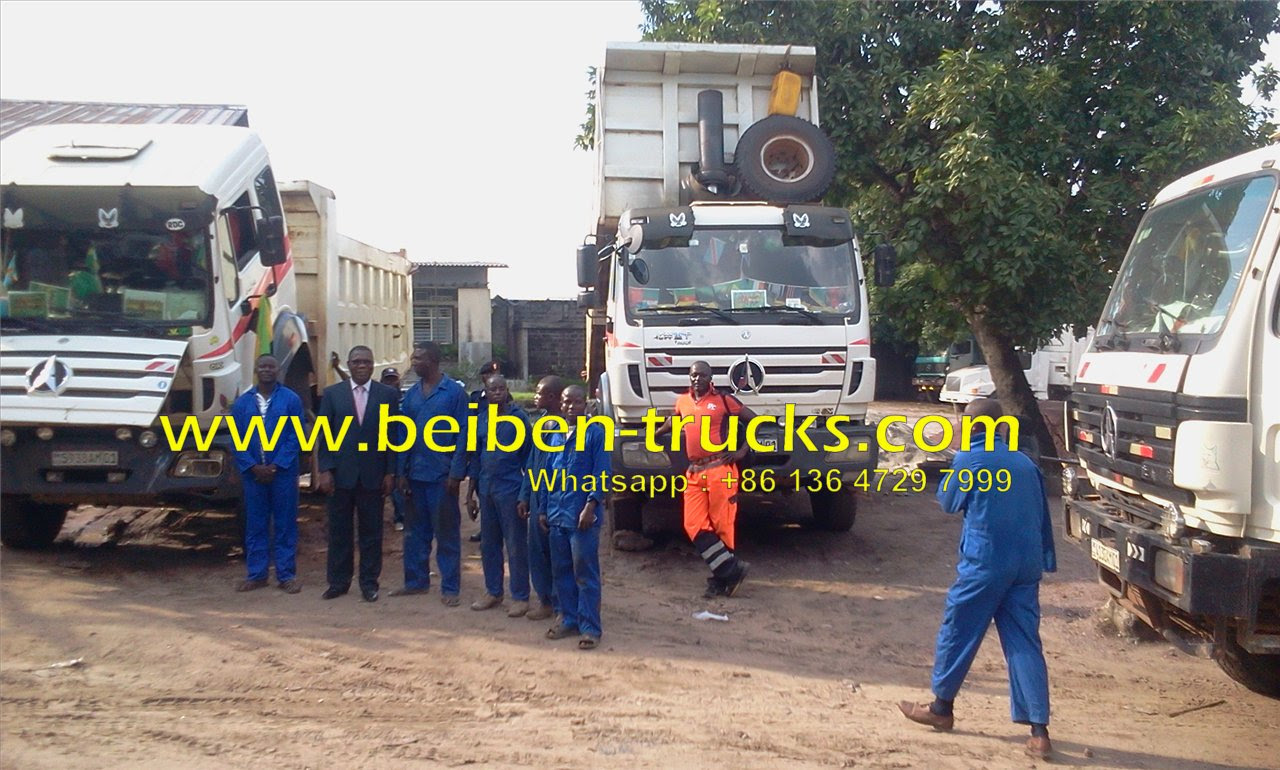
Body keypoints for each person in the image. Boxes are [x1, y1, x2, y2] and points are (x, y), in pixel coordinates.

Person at [897, 398, 1057, 760]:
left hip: (985, 564)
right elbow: (1042, 518)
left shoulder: (970, 460)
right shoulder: (1025, 463)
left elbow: (948, 502)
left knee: (958, 630)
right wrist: (1045, 559)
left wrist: (956, 457)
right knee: (1024, 643)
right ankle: (1039, 733)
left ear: (972, 427)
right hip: (1025, 566)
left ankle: (941, 708)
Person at [315, 346, 400, 603]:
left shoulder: (387, 395)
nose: (362, 366)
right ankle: (338, 582)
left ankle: (369, 583)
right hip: (341, 475)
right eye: (356, 362)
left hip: (373, 475)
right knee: (339, 532)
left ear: (373, 365)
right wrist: (325, 469)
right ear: (349, 365)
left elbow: (392, 436)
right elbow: (325, 434)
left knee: (371, 533)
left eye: (366, 362)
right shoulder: (333, 394)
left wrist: (390, 472)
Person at [666, 360, 754, 598]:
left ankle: (721, 580)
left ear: (710, 378)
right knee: (693, 523)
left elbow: (756, 421)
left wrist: (742, 451)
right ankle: (731, 570)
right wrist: (655, 432)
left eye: (702, 375)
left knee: (722, 526)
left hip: (720, 470)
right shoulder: (682, 401)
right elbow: (674, 421)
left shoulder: (724, 400)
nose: (697, 379)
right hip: (694, 472)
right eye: (694, 375)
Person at [394, 341, 470, 606]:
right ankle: (415, 582)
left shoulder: (454, 393)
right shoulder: (412, 394)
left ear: (433, 360)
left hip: (441, 476)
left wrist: (456, 473)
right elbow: (404, 434)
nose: (414, 362)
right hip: (415, 475)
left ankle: (450, 587)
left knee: (446, 534)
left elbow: (464, 435)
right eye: (413, 358)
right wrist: (401, 471)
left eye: (419, 358)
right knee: (414, 533)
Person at [458, 373, 533, 615]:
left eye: (502, 388)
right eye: (493, 389)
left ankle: (520, 596)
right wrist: (470, 495)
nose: (498, 392)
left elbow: (529, 460)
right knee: (489, 544)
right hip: (486, 490)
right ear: (486, 393)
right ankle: (493, 591)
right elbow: (475, 459)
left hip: (511, 489)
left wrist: (525, 495)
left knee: (515, 544)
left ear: (507, 390)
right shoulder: (481, 420)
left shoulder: (519, 419)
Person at [541, 385, 610, 650]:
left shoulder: (595, 433)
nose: (571, 407)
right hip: (557, 514)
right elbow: (548, 473)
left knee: (585, 572)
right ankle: (567, 618)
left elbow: (601, 473)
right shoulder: (555, 434)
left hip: (582, 517)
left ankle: (590, 628)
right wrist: (544, 509)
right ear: (560, 404)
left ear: (586, 404)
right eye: (567, 402)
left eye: (577, 402)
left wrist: (591, 506)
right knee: (561, 571)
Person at [230, 354, 304, 594]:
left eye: (271, 366)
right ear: (256, 370)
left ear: (278, 370)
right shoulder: (242, 403)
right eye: (262, 366)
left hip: (283, 474)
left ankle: (286, 575)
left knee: (285, 524)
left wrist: (276, 465)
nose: (266, 370)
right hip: (253, 475)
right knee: (255, 524)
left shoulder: (291, 399)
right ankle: (257, 575)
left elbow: (296, 436)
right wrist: (252, 466)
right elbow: (236, 439)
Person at [518, 375, 565, 621]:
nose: (535, 397)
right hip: (537, 495)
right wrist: (524, 495)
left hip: (556, 498)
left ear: (553, 397)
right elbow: (531, 463)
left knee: (557, 553)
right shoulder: (541, 424)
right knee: (536, 551)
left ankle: (561, 605)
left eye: (539, 393)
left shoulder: (564, 427)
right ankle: (545, 600)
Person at [465, 359, 504, 543]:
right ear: (483, 377)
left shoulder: (505, 397)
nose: (491, 377)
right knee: (482, 490)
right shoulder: (475, 398)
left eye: (494, 374)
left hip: (500, 444)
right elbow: (471, 419)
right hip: (480, 440)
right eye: (488, 374)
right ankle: (485, 528)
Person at [380, 367, 407, 532]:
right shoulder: (376, 399)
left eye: (393, 379)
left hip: (401, 447)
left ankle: (401, 516)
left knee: (399, 483)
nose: (391, 383)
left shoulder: (405, 401)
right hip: (381, 448)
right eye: (387, 380)